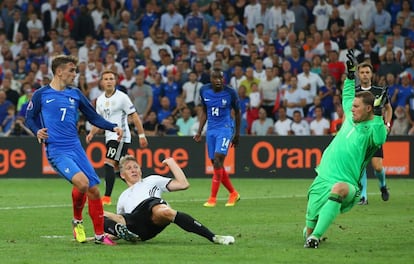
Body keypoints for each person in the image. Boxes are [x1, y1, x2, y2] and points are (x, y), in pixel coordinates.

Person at [25, 55, 123, 246]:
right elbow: (29, 117)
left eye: (75, 70)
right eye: (71, 70)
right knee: (83, 183)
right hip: (57, 149)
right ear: (59, 71)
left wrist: (113, 127)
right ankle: (77, 221)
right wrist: (37, 130)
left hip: (75, 147)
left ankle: (99, 236)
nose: (74, 74)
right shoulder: (41, 94)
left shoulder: (76, 94)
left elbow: (93, 117)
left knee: (94, 190)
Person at [304, 49, 388, 249]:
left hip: (348, 183)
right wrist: (350, 75)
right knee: (307, 226)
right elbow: (349, 93)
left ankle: (314, 237)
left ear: (368, 108)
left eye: (356, 106)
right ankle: (312, 233)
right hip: (323, 175)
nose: (351, 108)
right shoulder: (350, 115)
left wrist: (378, 113)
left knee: (339, 189)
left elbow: (380, 138)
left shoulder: (372, 129)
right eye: (352, 106)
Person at [103, 155, 235, 245]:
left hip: (152, 209)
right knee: (101, 214)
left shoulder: (152, 180)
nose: (133, 170)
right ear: (122, 175)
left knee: (164, 211)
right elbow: (122, 226)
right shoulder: (122, 197)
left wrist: (172, 163)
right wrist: (105, 236)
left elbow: (183, 184)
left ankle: (213, 237)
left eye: (135, 167)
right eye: (129, 168)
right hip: (137, 226)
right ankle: (110, 235)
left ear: (141, 171)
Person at [86, 70, 148, 206]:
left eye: (111, 79)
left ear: (115, 81)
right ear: (102, 82)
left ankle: (107, 197)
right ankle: (141, 187)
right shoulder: (100, 100)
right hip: (109, 137)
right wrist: (92, 133)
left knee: (108, 163)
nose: (108, 81)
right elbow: (99, 120)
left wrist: (142, 135)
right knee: (120, 169)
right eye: (106, 79)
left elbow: (135, 116)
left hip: (121, 137)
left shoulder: (122, 97)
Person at [193, 68, 241, 207]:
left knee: (218, 159)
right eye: (215, 78)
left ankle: (212, 198)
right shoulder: (204, 90)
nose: (218, 80)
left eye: (221, 78)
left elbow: (237, 113)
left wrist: (237, 134)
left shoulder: (230, 92)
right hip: (211, 130)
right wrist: (199, 131)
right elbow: (204, 111)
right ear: (211, 79)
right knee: (216, 163)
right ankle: (233, 193)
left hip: (225, 129)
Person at [355, 61, 392, 205]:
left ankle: (383, 185)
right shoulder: (355, 92)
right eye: (362, 72)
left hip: (375, 133)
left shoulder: (379, 91)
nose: (364, 75)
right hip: (360, 133)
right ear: (358, 74)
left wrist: (387, 124)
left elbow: (388, 108)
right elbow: (348, 111)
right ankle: (363, 197)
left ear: (372, 75)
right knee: (361, 165)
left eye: (367, 72)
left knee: (377, 166)